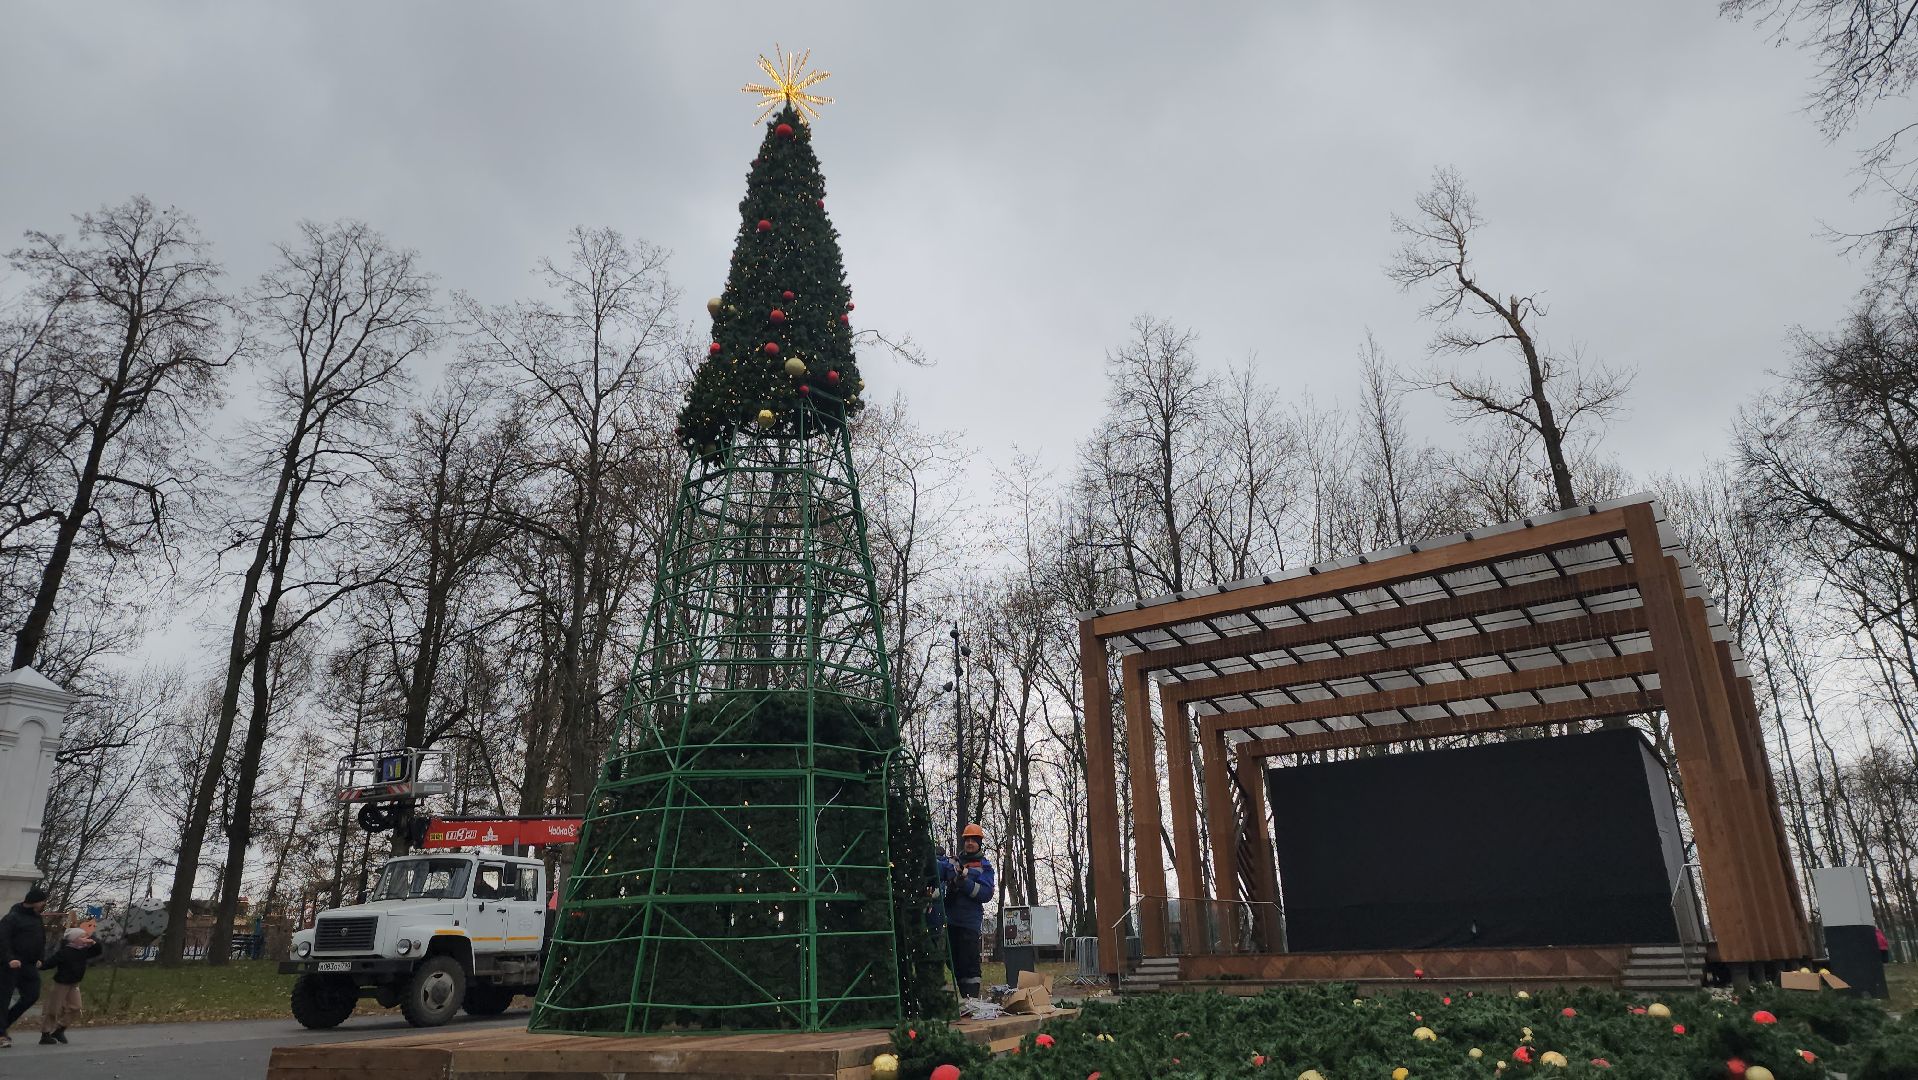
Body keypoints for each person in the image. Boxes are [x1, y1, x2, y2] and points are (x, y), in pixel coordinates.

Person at [936, 823, 995, 1001]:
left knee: (969, 964)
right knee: (954, 961)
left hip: (969, 923)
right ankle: (965, 998)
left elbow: (986, 893)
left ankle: (971, 999)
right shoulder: (953, 862)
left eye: (973, 840)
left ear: (979, 843)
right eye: (967, 840)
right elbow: (939, 869)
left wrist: (965, 883)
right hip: (951, 920)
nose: (970, 843)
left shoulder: (985, 867)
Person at [0, 887, 48, 1049]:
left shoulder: (37, 918)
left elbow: (41, 939)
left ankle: (3, 1024)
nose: (43, 905)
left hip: (29, 965)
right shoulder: (12, 918)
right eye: (42, 902)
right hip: (11, 964)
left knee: (32, 995)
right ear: (34, 901)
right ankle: (1, 1034)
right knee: (3, 998)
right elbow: (3, 940)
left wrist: (40, 958)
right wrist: (10, 958)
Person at [38, 920, 100, 1044]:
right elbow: (50, 963)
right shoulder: (65, 952)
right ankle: (45, 1034)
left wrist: (93, 942)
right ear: (74, 939)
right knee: (53, 1009)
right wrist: (40, 965)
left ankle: (60, 1029)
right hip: (61, 983)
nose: (86, 939)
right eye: (82, 937)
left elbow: (97, 951)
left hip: (74, 983)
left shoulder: (83, 951)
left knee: (76, 1007)